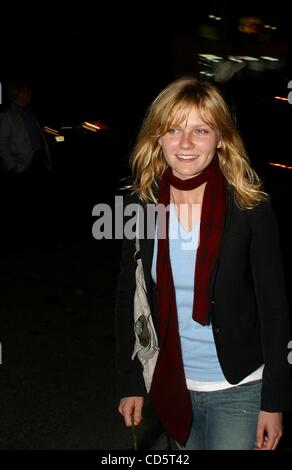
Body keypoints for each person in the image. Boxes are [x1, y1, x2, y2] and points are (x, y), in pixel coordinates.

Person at [115, 76, 291, 450]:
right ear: (157, 136)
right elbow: (128, 297)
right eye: (174, 129)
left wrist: (274, 400)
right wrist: (130, 381)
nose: (185, 143)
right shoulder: (141, 206)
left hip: (240, 386)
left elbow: (274, 308)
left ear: (222, 137)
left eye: (201, 130)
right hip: (172, 383)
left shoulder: (250, 208)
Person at [0, 79, 51, 173]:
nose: (30, 93)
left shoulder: (30, 113)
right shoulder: (7, 115)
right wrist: (12, 166)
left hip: (39, 161)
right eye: (26, 90)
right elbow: (2, 144)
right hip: (22, 166)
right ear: (18, 93)